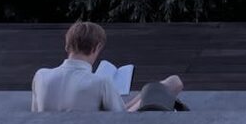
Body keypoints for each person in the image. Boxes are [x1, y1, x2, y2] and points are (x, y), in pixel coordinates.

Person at [31, 21, 184, 112]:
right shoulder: (100, 82)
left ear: (66, 46)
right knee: (172, 83)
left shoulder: (41, 76)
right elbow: (120, 120)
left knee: (150, 91)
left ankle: (147, 92)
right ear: (96, 48)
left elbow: (35, 113)